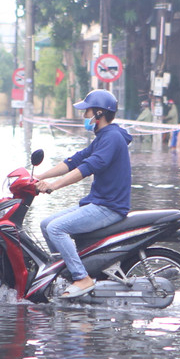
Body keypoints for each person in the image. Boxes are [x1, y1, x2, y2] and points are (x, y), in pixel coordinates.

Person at [36, 89, 133, 299]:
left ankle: (82, 277)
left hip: (109, 206)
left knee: (56, 228)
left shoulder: (112, 138)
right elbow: (74, 161)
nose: (84, 117)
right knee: (45, 224)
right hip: (98, 202)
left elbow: (87, 168)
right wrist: (36, 176)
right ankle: (64, 276)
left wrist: (54, 186)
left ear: (99, 113)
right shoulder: (103, 137)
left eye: (87, 112)